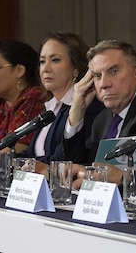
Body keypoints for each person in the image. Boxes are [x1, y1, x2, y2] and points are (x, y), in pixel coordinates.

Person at [62, 39, 136, 177]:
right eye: (97, 76)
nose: (104, 84)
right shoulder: (102, 119)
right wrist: (77, 112)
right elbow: (76, 168)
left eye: (114, 71)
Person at [16, 31, 103, 167]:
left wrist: (33, 164)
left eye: (55, 60)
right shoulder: (49, 108)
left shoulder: (88, 105)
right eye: (42, 61)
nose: (46, 68)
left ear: (75, 67)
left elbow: (67, 158)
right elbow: (31, 154)